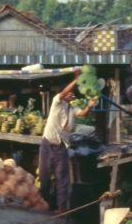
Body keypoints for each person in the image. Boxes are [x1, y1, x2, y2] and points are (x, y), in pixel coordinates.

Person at [39, 71, 96, 213]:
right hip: (47, 144)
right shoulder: (56, 102)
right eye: (70, 93)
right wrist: (75, 80)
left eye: (73, 93)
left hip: (60, 147)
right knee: (44, 177)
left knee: (62, 178)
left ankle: (61, 207)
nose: (72, 94)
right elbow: (64, 92)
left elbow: (82, 114)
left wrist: (90, 105)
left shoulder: (71, 109)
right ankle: (45, 203)